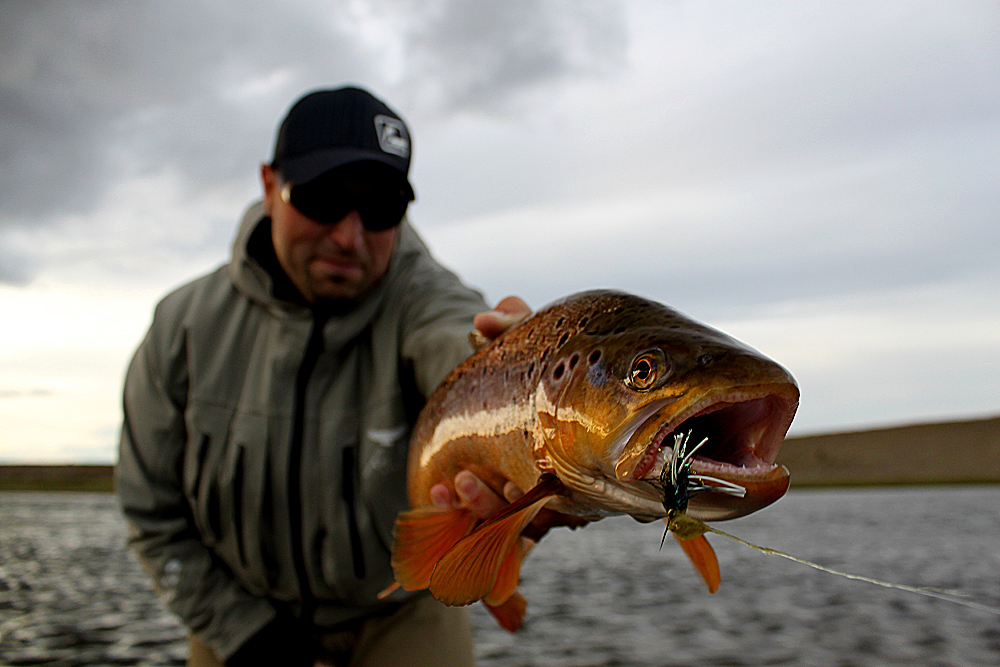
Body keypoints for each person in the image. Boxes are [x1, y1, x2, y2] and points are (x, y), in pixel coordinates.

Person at [116, 86, 530, 667]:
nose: (348, 235)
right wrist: (243, 634)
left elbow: (456, 341)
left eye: (381, 207)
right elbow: (150, 511)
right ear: (268, 185)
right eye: (320, 197)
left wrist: (512, 373)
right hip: (234, 616)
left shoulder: (425, 301)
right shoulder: (180, 328)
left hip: (401, 609)